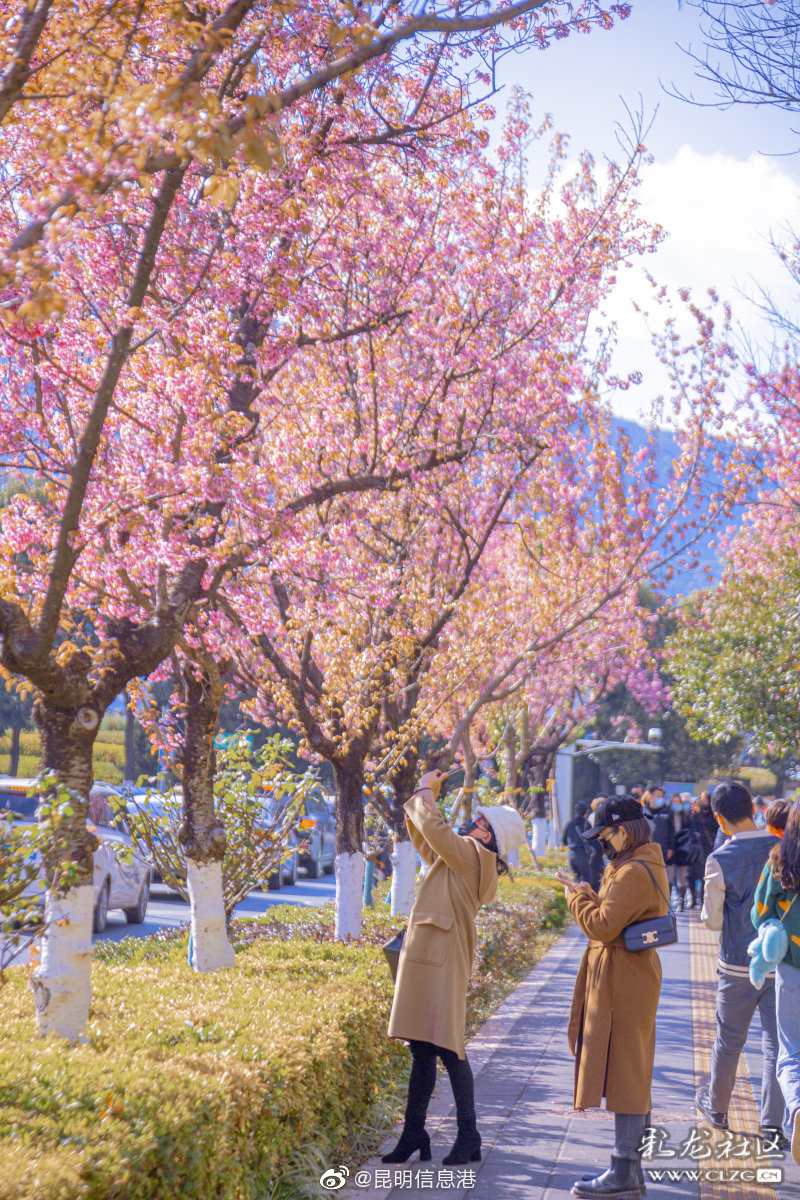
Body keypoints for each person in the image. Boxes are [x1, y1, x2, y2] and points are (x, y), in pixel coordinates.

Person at [385, 770, 527, 1166]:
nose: (473, 822)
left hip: (440, 959)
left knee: (448, 1047)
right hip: (434, 956)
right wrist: (421, 801)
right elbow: (427, 839)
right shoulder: (464, 857)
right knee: (423, 1047)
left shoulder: (471, 855)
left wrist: (425, 790)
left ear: (489, 837)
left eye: (481, 822)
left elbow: (435, 830)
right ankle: (415, 1133)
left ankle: (468, 1135)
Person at [564, 795, 669, 1199]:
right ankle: (631, 1171)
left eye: (605, 836)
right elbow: (617, 917)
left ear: (623, 831)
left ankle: (624, 1169)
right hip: (630, 973)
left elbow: (604, 926)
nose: (602, 844)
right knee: (632, 1068)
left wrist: (576, 898)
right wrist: (589, 894)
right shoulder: (640, 862)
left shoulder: (632, 872)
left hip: (624, 977)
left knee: (627, 1072)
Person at [695, 781, 784, 1142]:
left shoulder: (720, 859)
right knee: (776, 1044)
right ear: (753, 808)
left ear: (719, 818)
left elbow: (712, 920)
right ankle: (773, 1123)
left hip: (736, 964)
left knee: (729, 1040)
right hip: (780, 962)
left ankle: (717, 1109)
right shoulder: (782, 849)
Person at [753, 799, 800, 1165]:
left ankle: (797, 1109)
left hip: (793, 969)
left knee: (791, 1051)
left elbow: (760, 914)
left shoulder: (779, 861)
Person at [690, 791, 718, 906]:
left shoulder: (714, 816)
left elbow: (716, 830)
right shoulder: (694, 814)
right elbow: (689, 827)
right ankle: (692, 898)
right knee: (692, 873)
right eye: (703, 801)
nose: (705, 803)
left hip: (708, 847)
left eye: (707, 801)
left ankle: (702, 898)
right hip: (695, 847)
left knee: (705, 874)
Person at [563, 801, 593, 884]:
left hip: (571, 854)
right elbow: (591, 839)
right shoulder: (586, 824)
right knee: (587, 881)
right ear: (586, 812)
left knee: (575, 880)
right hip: (583, 855)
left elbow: (564, 840)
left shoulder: (569, 824)